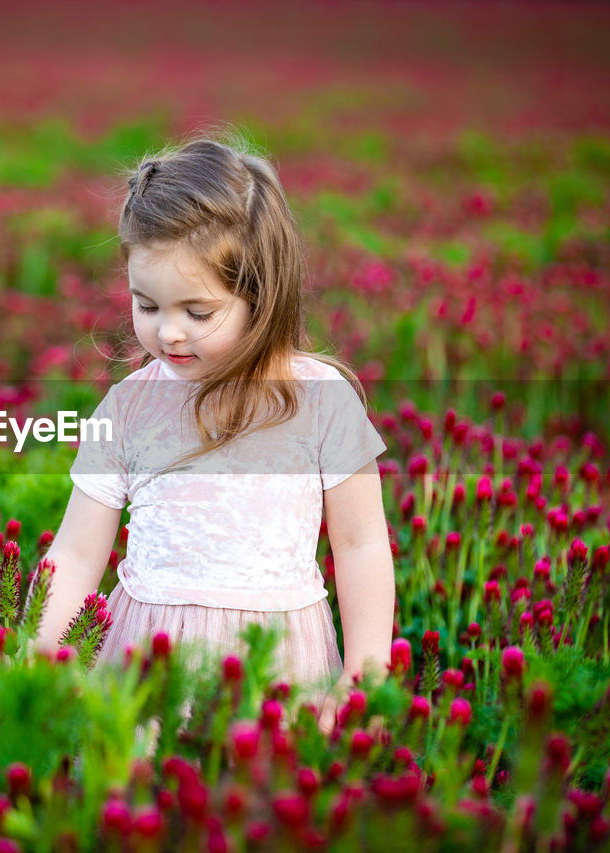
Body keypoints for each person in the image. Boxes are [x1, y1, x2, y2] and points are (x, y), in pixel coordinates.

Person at [34, 134, 393, 737]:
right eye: (146, 305)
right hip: (146, 662)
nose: (169, 333)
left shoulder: (322, 403)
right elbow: (75, 554)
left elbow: (360, 547)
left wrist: (366, 674)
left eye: (197, 313)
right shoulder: (127, 408)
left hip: (277, 665)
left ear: (262, 293)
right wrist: (40, 658)